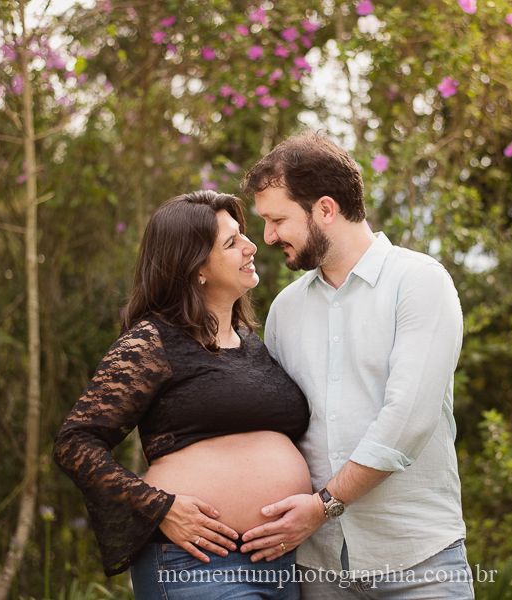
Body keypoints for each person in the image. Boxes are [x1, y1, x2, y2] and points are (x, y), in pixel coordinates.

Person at [238, 132, 473, 599]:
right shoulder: (285, 309)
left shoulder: (420, 283)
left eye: (277, 219)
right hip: (317, 566)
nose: (267, 238)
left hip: (418, 559)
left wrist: (324, 505)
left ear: (326, 209)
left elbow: (408, 419)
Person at [53, 190, 312, 599]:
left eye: (242, 234)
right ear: (196, 270)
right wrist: (158, 507)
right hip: (196, 565)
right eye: (231, 243)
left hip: (280, 566)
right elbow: (75, 442)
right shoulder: (152, 341)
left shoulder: (255, 345)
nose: (251, 246)